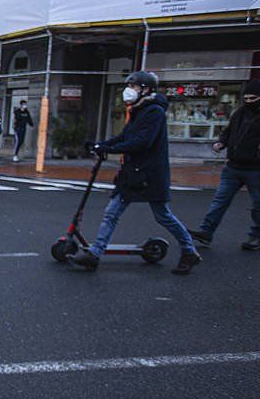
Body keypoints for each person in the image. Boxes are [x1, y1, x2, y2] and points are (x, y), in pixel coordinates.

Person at [68, 70, 201, 275]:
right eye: (129, 86)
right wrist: (100, 145)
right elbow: (125, 136)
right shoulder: (140, 110)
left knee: (163, 216)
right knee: (112, 213)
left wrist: (108, 149)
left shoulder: (154, 112)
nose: (129, 91)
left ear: (146, 90)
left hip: (149, 174)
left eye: (134, 87)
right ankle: (94, 254)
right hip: (134, 173)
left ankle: (189, 251)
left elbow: (142, 142)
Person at [190, 78, 260, 252]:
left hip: (256, 169)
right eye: (247, 98)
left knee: (258, 204)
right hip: (233, 167)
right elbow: (228, 132)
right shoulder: (239, 113)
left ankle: (256, 236)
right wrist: (221, 143)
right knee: (219, 200)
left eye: (253, 98)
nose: (249, 101)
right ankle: (206, 232)